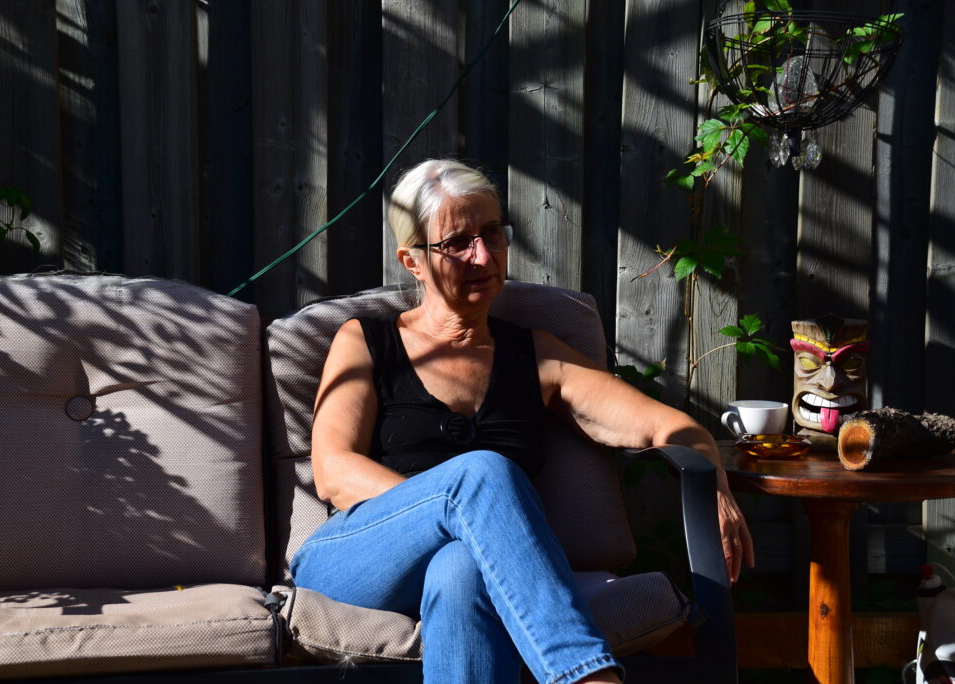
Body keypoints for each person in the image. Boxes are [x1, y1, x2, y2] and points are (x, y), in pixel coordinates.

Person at [289, 159, 755, 684]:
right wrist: (455, 507)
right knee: (482, 473)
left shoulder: (536, 357)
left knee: (463, 568)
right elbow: (333, 470)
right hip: (356, 558)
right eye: (457, 243)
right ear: (413, 260)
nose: (483, 255)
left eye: (492, 234)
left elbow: (664, 425)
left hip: (471, 565)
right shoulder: (367, 340)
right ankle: (588, 676)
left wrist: (714, 483)